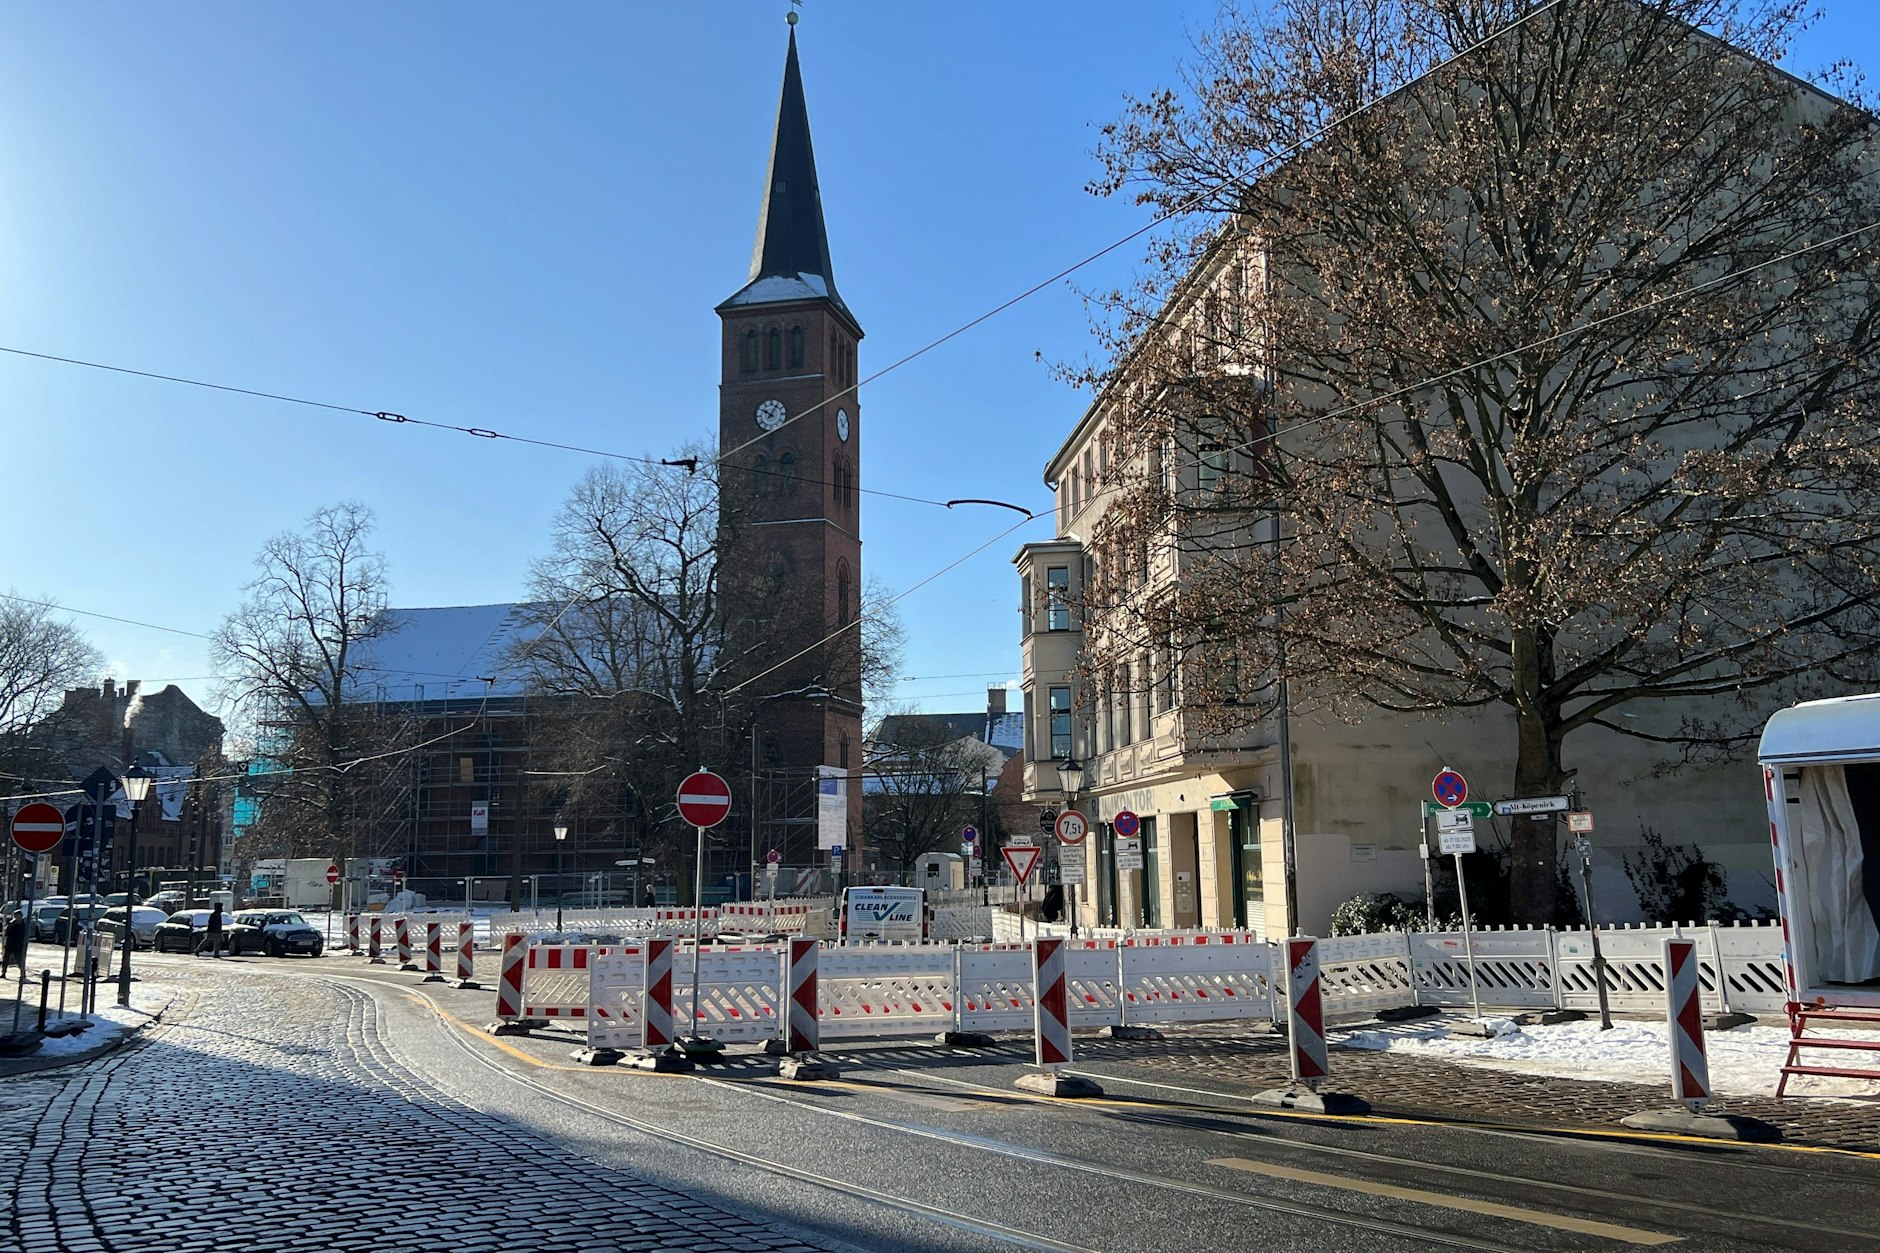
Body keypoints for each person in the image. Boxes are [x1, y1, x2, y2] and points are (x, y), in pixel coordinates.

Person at [2, 909, 24, 977]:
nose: (17, 917)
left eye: (18, 916)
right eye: (16, 916)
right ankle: (4, 972)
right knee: (5, 959)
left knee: (19, 960)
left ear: (21, 916)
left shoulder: (23, 924)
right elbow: (6, 933)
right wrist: (10, 926)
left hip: (18, 945)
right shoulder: (11, 924)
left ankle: (23, 973)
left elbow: (24, 935)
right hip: (10, 944)